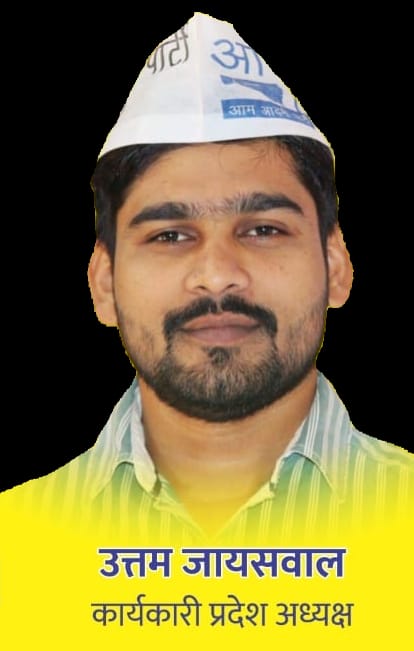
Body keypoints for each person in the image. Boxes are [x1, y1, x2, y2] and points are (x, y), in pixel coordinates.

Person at [1, 12, 412, 544]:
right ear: (103, 282)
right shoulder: (18, 541)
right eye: (170, 235)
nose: (217, 277)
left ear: (336, 264)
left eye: (263, 229)